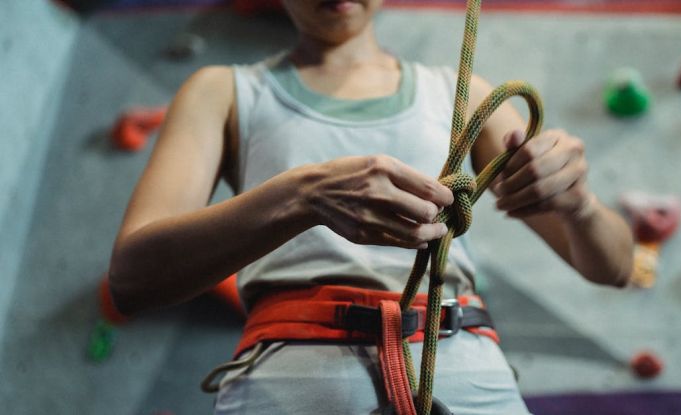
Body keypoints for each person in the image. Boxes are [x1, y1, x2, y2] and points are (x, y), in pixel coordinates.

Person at [108, 0, 634, 413]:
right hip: (290, 384)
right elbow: (133, 279)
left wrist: (580, 205)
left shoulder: (461, 95)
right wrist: (302, 196)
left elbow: (615, 266)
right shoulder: (226, 92)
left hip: (466, 374)